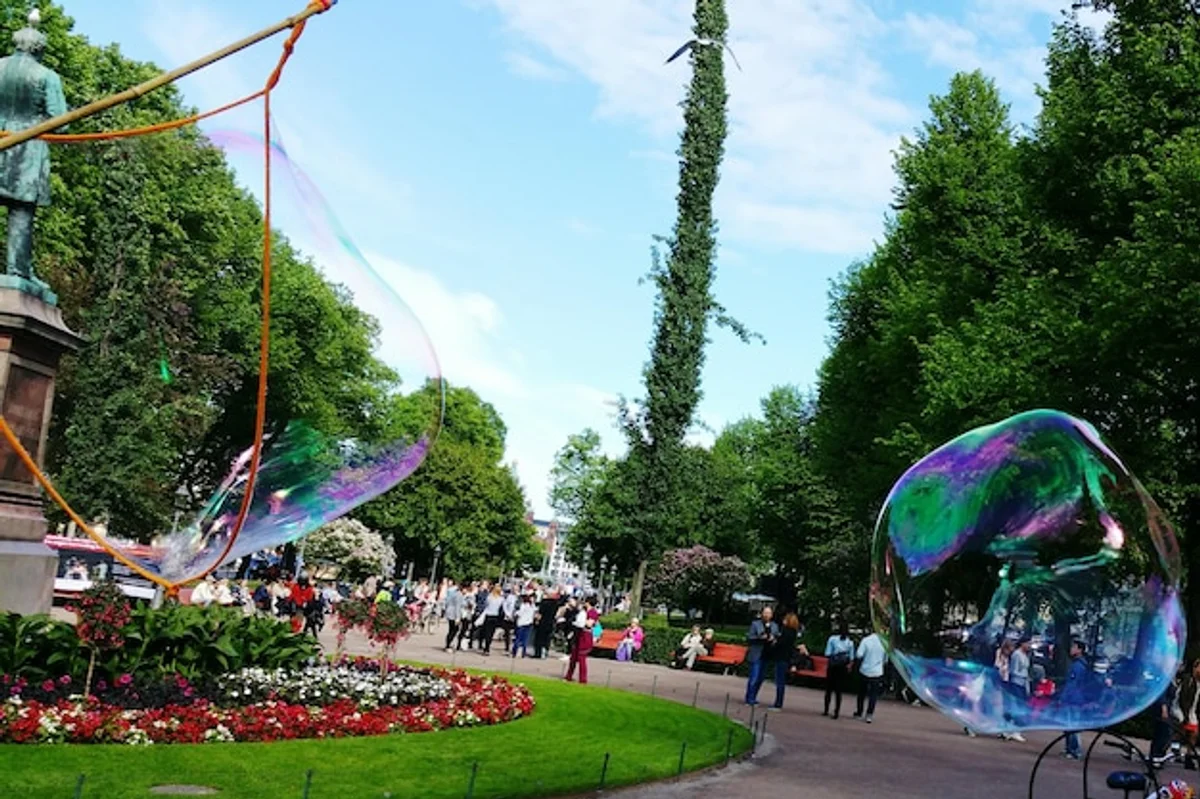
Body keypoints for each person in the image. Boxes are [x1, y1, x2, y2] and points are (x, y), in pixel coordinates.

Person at [744, 606, 779, 706]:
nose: (767, 615)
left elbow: (776, 637)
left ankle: (753, 696)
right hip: (756, 653)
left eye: (769, 613)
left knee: (760, 678)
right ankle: (749, 698)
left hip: (767, 655)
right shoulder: (755, 624)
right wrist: (760, 638)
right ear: (762, 613)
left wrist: (773, 639)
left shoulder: (774, 626)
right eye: (765, 613)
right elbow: (750, 637)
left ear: (772, 615)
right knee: (754, 677)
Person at [1062, 641, 1090, 759]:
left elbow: (1072, 684)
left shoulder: (1078, 666)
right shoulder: (1080, 664)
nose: (1071, 649)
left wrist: (1064, 696)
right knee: (1069, 724)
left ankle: (1075, 750)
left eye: (1074, 647)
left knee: (1072, 724)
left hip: (1074, 699)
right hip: (1075, 698)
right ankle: (1070, 749)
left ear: (1080, 650)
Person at [852, 629, 886, 723]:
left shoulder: (866, 640)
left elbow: (859, 655)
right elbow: (885, 660)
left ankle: (859, 712)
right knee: (873, 695)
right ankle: (869, 715)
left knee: (862, 693)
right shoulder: (884, 642)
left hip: (865, 670)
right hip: (877, 671)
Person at [823, 621, 854, 719]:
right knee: (838, 690)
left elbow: (827, 653)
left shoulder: (832, 639)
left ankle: (826, 709)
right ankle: (836, 711)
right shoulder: (850, 643)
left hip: (833, 666)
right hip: (842, 667)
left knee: (829, 689)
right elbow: (851, 657)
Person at [771, 613, 802, 710]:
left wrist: (774, 642)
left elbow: (780, 643)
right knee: (781, 681)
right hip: (787, 658)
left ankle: (778, 703)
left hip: (781, 657)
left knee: (779, 681)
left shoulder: (785, 631)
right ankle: (778, 702)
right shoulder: (793, 633)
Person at [565, 597, 597, 683]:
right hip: (579, 634)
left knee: (582, 657)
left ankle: (583, 679)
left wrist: (582, 621)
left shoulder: (592, 612)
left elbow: (589, 624)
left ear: (588, 603)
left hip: (585, 635)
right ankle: (568, 676)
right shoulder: (584, 612)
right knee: (573, 657)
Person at [534, 591, 560, 658]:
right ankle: (545, 653)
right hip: (550, 622)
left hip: (542, 623)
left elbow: (539, 614)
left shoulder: (544, 603)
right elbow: (557, 614)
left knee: (539, 639)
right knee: (547, 639)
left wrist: (536, 620)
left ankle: (538, 653)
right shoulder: (556, 604)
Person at [479, 586, 504, 655]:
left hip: (488, 615)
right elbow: (501, 608)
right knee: (491, 633)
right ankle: (487, 647)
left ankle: (486, 648)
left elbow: (486, 605)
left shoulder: (489, 597)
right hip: (495, 616)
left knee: (487, 632)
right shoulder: (501, 599)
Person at [512, 593, 536, 657]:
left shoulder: (523, 605)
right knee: (525, 639)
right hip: (529, 623)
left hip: (521, 623)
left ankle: (515, 652)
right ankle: (523, 653)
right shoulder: (532, 606)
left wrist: (515, 613)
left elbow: (520, 613)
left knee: (518, 638)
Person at [443, 582, 465, 652]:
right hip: (454, 614)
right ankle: (448, 645)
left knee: (451, 629)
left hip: (449, 612)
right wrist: (458, 617)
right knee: (454, 630)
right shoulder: (459, 595)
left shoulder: (453, 593)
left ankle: (448, 644)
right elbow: (458, 607)